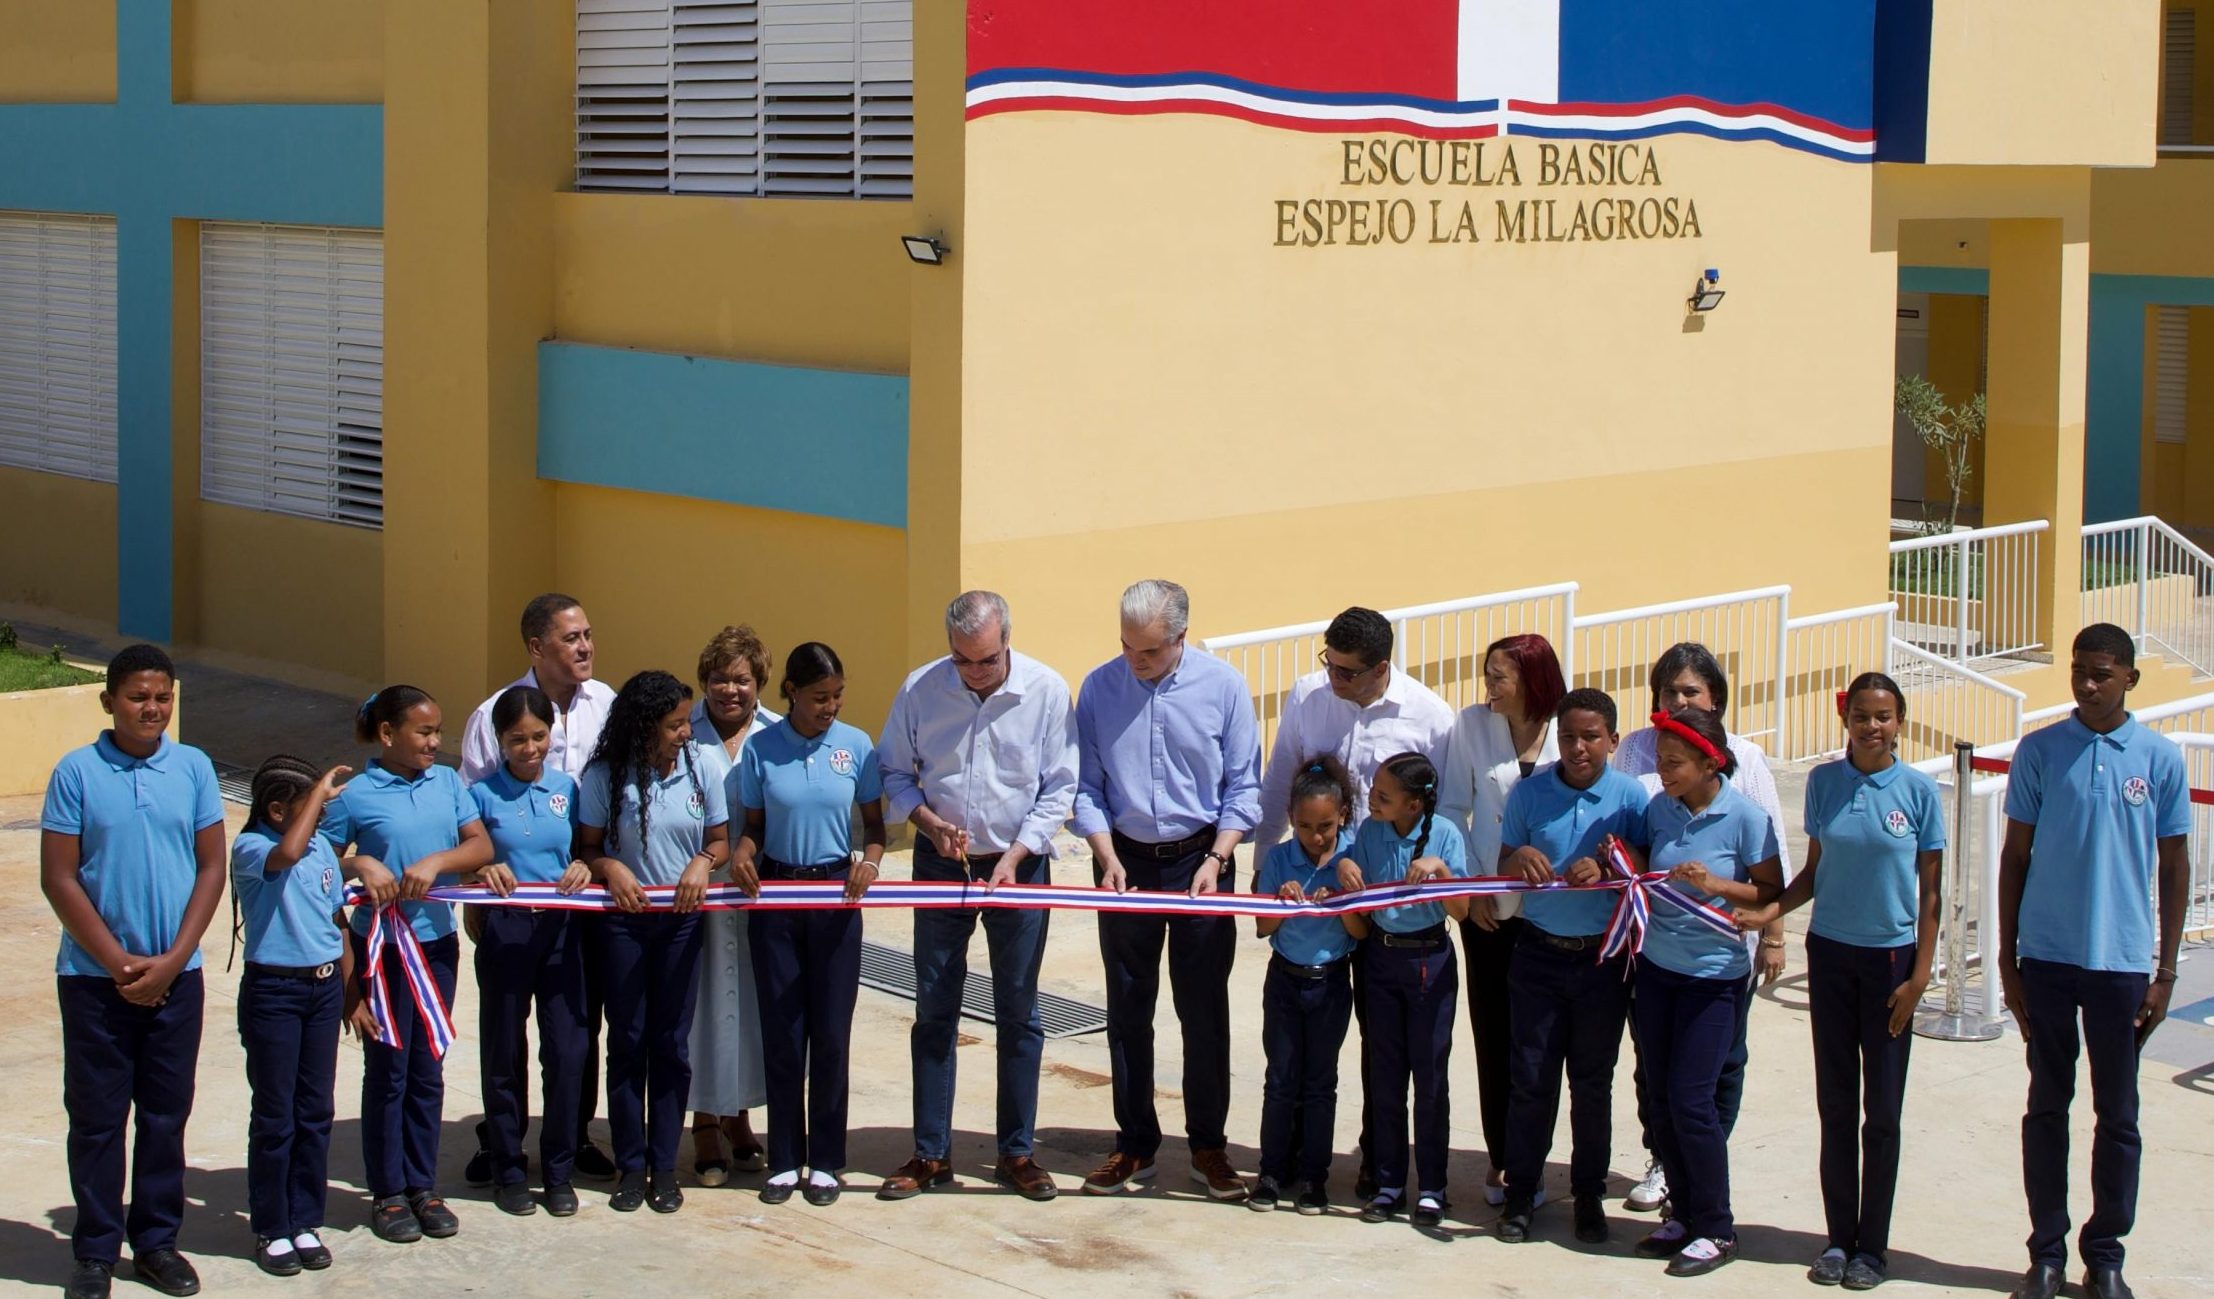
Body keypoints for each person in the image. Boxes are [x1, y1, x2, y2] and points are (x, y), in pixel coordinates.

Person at [1996, 624, 2190, 1299]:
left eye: (2102, 673)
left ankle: (2104, 1252)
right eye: (2079, 670)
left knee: (2119, 1113)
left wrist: (2165, 972)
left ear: (2130, 677)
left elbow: (2173, 864)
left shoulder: (2160, 759)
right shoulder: (2041, 750)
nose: (2087, 683)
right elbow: (2014, 856)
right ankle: (2045, 1251)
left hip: (2122, 963)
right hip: (2047, 957)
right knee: (2047, 1104)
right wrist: (2008, 958)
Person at [1734, 672, 1942, 1290]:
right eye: (1860, 716)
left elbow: (1931, 892)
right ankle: (1836, 1239)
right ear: (1844, 720)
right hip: (1830, 957)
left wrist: (1920, 976)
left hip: (1891, 965)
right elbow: (1814, 874)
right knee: (1835, 1106)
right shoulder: (1825, 784)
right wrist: (1769, 913)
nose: (1871, 726)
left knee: (1881, 1112)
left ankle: (1871, 1248)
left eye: (1883, 716)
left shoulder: (1919, 792)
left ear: (1900, 721)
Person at [876, 592, 1076, 1204]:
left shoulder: (1046, 691)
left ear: (1007, 641)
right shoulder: (921, 689)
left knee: (1019, 1011)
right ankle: (930, 1152)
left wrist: (1019, 854)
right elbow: (893, 773)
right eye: (962, 661)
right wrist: (930, 824)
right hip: (943, 863)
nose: (974, 673)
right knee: (935, 1007)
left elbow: (1060, 785)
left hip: (1020, 865)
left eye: (985, 661)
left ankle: (1017, 1152)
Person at [41, 645, 226, 1299]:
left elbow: (211, 867)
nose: (152, 708)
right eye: (139, 696)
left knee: (164, 1116)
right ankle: (94, 1250)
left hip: (179, 976)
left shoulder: (196, 768)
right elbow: (59, 877)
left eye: (163, 697)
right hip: (95, 983)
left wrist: (174, 958)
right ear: (109, 700)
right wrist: (118, 963)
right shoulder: (77, 772)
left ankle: (156, 1242)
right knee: (95, 1117)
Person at [1250, 606, 1453, 1198]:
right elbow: (1280, 776)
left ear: (1381, 668)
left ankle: (1377, 1157)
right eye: (1329, 665)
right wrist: (1267, 864)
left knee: (1380, 1045)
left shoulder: (1430, 719)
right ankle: (1283, 1156)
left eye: (1348, 672)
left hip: (1390, 912)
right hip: (1319, 902)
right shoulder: (1310, 698)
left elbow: (1440, 814)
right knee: (1302, 1053)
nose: (1333, 680)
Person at [1072, 579, 1261, 1200]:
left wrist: (1218, 857)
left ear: (1181, 637)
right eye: (1127, 646)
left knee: (1202, 1009)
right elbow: (1087, 787)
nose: (1135, 660)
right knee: (1128, 1009)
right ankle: (1133, 1144)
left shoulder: (1224, 687)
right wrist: (1104, 853)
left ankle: (1208, 1145)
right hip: (1124, 861)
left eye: (1149, 650)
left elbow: (1243, 786)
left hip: (1201, 862)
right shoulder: (1100, 688)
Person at [1614, 641, 1793, 1212]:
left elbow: (1773, 870)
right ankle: (1671, 1173)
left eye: (1691, 691)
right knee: (1659, 1079)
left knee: (1710, 1080)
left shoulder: (1746, 778)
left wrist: (1770, 931)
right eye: (1669, 691)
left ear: (1714, 699)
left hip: (1718, 962)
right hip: (1656, 955)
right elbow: (1637, 843)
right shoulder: (1646, 776)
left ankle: (1709, 1199)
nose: (1679, 699)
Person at [458, 592, 619, 1186]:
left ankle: (570, 1142)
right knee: (505, 1037)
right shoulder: (489, 715)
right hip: (507, 910)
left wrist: (590, 864)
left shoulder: (607, 703)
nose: (585, 647)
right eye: (570, 639)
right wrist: (476, 882)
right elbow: (470, 813)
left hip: (579, 903)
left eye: (587, 635)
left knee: (577, 1029)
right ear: (536, 647)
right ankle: (502, 1150)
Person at [323, 685, 493, 1244]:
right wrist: (359, 863)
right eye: (422, 732)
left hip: (436, 948)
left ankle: (423, 1184)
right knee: (389, 1071)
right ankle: (388, 1192)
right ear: (388, 734)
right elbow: (317, 858)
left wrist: (439, 860)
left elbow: (479, 846)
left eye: (437, 731)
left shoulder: (448, 782)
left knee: (428, 1067)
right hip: (381, 951)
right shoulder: (355, 794)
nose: (433, 742)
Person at [1629, 707, 1783, 1278]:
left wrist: (1720, 886)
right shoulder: (1659, 808)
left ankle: (1717, 1227)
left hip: (1714, 977)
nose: (1662, 771)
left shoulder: (1746, 816)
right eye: (1660, 761)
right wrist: (1622, 863)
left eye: (1674, 763)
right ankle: (1683, 1215)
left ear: (1708, 761)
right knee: (1661, 1099)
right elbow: (1647, 863)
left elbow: (1771, 892)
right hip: (1657, 969)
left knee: (1694, 1101)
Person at [731, 642, 886, 1207]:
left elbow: (873, 826)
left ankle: (825, 1159)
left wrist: (869, 863)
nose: (831, 707)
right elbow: (752, 826)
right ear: (791, 692)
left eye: (838, 695)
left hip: (836, 899)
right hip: (775, 898)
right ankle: (784, 1159)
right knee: (783, 1031)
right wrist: (744, 857)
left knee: (830, 1033)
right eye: (820, 697)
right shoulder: (761, 750)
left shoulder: (856, 747)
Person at [1493, 688, 1647, 1247]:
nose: (1578, 748)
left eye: (1590, 737)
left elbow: (1648, 865)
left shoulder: (1632, 798)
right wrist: (1519, 859)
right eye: (1567, 737)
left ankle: (1587, 1194)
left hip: (1601, 961)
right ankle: (1521, 1193)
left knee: (1592, 1084)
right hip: (1537, 954)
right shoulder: (1529, 794)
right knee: (1531, 1081)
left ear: (1611, 738)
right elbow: (1505, 858)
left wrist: (1614, 860)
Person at [580, 670, 729, 1215]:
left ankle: (665, 1166)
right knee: (628, 1041)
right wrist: (610, 869)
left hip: (682, 925)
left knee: (670, 1044)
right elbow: (588, 845)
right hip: (623, 925)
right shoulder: (604, 776)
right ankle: (631, 1164)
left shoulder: (702, 768)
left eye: (686, 722)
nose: (685, 733)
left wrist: (702, 863)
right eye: (674, 725)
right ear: (643, 727)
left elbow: (719, 837)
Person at [1437, 631, 1564, 1205]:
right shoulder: (1470, 725)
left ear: (1533, 681)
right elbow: (1452, 809)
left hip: (1559, 913)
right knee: (1495, 1031)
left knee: (1543, 1042)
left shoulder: (1570, 727)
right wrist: (1473, 883)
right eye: (1487, 673)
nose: (1488, 686)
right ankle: (1503, 1158)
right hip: (1489, 909)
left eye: (1499, 676)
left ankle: (1535, 1157)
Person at [1333, 751, 1472, 1230]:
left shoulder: (1447, 835)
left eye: (1384, 796)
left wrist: (1442, 872)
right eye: (1374, 790)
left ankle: (1432, 1187)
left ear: (1414, 805)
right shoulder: (1370, 833)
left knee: (1430, 1079)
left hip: (1428, 961)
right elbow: (1354, 883)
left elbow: (1462, 911)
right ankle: (1388, 1182)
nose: (1373, 799)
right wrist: (1346, 872)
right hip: (1381, 959)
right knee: (1385, 1076)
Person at [468, 686, 593, 1218]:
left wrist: (586, 865)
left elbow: (587, 847)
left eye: (539, 736)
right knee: (503, 1051)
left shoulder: (568, 788)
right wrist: (480, 869)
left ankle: (559, 1168)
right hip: (507, 929)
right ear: (499, 741)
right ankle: (509, 1166)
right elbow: (465, 853)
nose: (529, 748)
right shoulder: (478, 796)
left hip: (563, 930)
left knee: (567, 1053)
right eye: (517, 739)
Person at [230, 756, 353, 1276]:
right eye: (311, 810)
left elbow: (335, 918)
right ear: (277, 810)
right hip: (275, 992)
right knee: (276, 1117)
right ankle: (272, 1226)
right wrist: (321, 792)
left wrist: (351, 991)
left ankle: (305, 1218)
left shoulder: (319, 844)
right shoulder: (253, 847)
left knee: (314, 1111)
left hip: (322, 989)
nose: (320, 821)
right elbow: (288, 851)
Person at [684, 627, 777, 1186]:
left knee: (749, 1005)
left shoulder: (773, 733)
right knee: (702, 1004)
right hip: (694, 888)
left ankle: (740, 1117)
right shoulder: (681, 731)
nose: (729, 690)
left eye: (741, 679)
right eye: (719, 678)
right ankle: (702, 1122)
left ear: (759, 683)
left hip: (758, 891)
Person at [1249, 759, 1358, 1215]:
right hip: (1285, 981)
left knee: (1319, 1085)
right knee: (1280, 1081)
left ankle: (1315, 1177)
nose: (1316, 837)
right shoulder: (1278, 859)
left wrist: (1342, 902)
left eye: (1326, 827)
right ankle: (1272, 1172)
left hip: (1331, 982)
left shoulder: (1352, 858)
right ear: (1291, 818)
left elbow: (1360, 931)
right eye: (1306, 826)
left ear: (1344, 817)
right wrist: (1284, 903)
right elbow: (1261, 927)